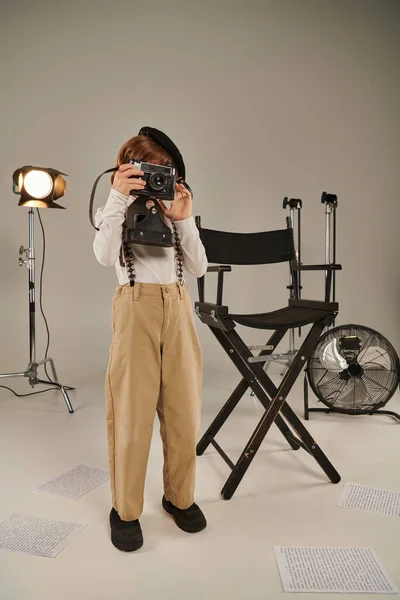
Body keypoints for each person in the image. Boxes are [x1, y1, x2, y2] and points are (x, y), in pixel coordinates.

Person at [93, 127, 208, 552]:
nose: (152, 178)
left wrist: (184, 218)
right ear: (128, 167)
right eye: (145, 169)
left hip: (178, 309)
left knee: (184, 412)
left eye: (162, 170)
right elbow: (105, 255)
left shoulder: (172, 206)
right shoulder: (115, 207)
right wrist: (118, 198)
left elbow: (198, 268)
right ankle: (125, 509)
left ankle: (179, 498)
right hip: (135, 305)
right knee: (132, 414)